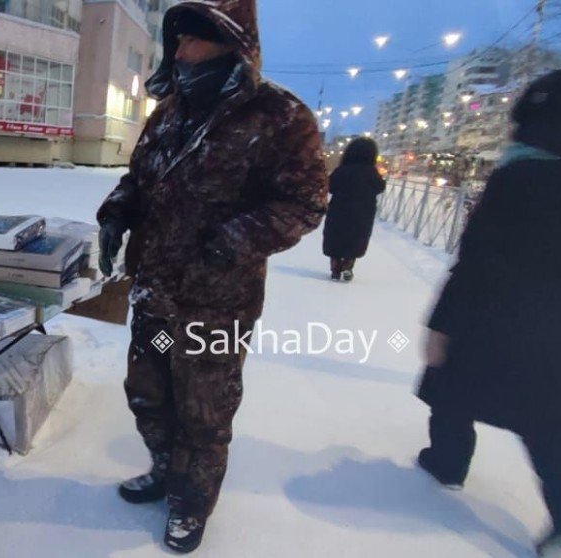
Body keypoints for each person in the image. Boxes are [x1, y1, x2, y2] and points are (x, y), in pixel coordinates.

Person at [95, 0, 327, 552]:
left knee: (204, 408)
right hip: (156, 298)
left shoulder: (280, 117)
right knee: (149, 393)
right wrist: (115, 214)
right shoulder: (170, 110)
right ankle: (165, 469)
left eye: (192, 40)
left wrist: (232, 242)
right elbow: (139, 178)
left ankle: (191, 501)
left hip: (215, 306)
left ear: (231, 45)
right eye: (176, 41)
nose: (179, 51)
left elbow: (305, 202)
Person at [417, 70, 561, 556]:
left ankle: (447, 461)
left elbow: (477, 255)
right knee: (544, 420)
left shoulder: (521, 174)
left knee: (449, 382)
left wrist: (442, 321)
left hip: (490, 314)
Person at [322, 137, 386, 281]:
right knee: (356, 238)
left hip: (339, 209)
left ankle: (335, 267)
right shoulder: (372, 173)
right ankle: (348, 265)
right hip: (363, 212)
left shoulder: (342, 170)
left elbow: (330, 186)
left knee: (336, 237)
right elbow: (380, 187)